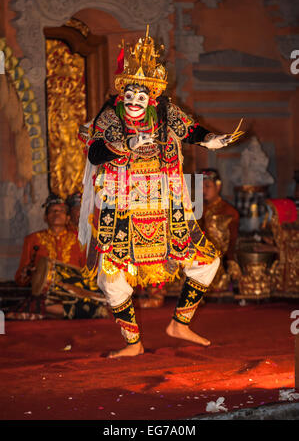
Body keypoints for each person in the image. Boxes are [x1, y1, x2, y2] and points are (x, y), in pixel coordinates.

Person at [78, 28, 241, 357]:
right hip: (122, 208)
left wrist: (213, 140)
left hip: (167, 208)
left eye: (141, 97)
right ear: (122, 94)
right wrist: (126, 144)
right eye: (129, 95)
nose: (134, 102)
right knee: (112, 280)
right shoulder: (110, 117)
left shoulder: (166, 113)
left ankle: (180, 323)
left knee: (207, 262)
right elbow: (95, 153)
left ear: (151, 98)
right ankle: (133, 344)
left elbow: (192, 130)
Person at [10, 194, 108, 320]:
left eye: (61, 211)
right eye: (52, 211)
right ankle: (60, 312)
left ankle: (50, 312)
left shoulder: (80, 241)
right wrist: (29, 273)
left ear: (67, 218)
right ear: (45, 217)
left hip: (74, 295)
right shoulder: (32, 240)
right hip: (45, 296)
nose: (57, 214)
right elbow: (20, 279)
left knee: (94, 304)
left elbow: (88, 274)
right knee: (40, 303)